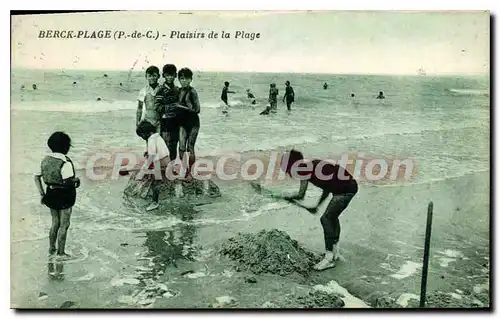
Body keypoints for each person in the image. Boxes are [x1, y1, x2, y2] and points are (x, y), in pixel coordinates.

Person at [277, 149, 358, 271]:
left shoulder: (304, 171)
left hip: (345, 190)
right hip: (346, 186)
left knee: (326, 219)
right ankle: (334, 252)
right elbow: (327, 186)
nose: (288, 173)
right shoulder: (310, 166)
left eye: (287, 169)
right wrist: (317, 206)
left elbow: (301, 195)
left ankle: (329, 258)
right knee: (332, 217)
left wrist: (287, 197)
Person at [34, 132, 80, 258]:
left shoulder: (45, 160)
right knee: (64, 225)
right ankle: (61, 252)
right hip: (65, 196)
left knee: (55, 222)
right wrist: (76, 181)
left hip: (50, 194)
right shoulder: (65, 162)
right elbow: (68, 181)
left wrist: (42, 193)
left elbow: (37, 177)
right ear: (67, 147)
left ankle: (51, 248)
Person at [136, 121, 170, 211]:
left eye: (142, 135)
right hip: (167, 160)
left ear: (147, 132)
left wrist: (142, 171)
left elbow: (151, 157)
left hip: (159, 162)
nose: (143, 138)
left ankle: (155, 202)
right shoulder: (157, 136)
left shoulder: (151, 139)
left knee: (155, 182)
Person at [177, 67, 201, 178]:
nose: (184, 81)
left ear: (191, 79)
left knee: (189, 147)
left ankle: (190, 172)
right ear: (179, 79)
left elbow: (197, 109)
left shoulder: (193, 92)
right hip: (182, 123)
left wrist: (183, 105)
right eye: (182, 78)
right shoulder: (179, 91)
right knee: (181, 147)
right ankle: (184, 168)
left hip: (193, 123)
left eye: (187, 78)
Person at [155, 64, 181, 161]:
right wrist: (171, 107)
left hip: (176, 121)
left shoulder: (178, 90)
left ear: (175, 75)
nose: (169, 77)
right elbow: (157, 107)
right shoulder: (160, 90)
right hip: (165, 121)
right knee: (165, 144)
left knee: (174, 144)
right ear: (163, 75)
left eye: (172, 75)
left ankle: (172, 166)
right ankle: (165, 166)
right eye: (167, 75)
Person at [136, 66, 162, 133]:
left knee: (160, 142)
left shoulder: (162, 89)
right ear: (146, 76)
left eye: (154, 76)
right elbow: (139, 108)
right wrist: (137, 122)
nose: (152, 78)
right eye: (149, 76)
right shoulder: (143, 90)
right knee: (150, 141)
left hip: (160, 121)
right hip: (148, 121)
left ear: (158, 76)